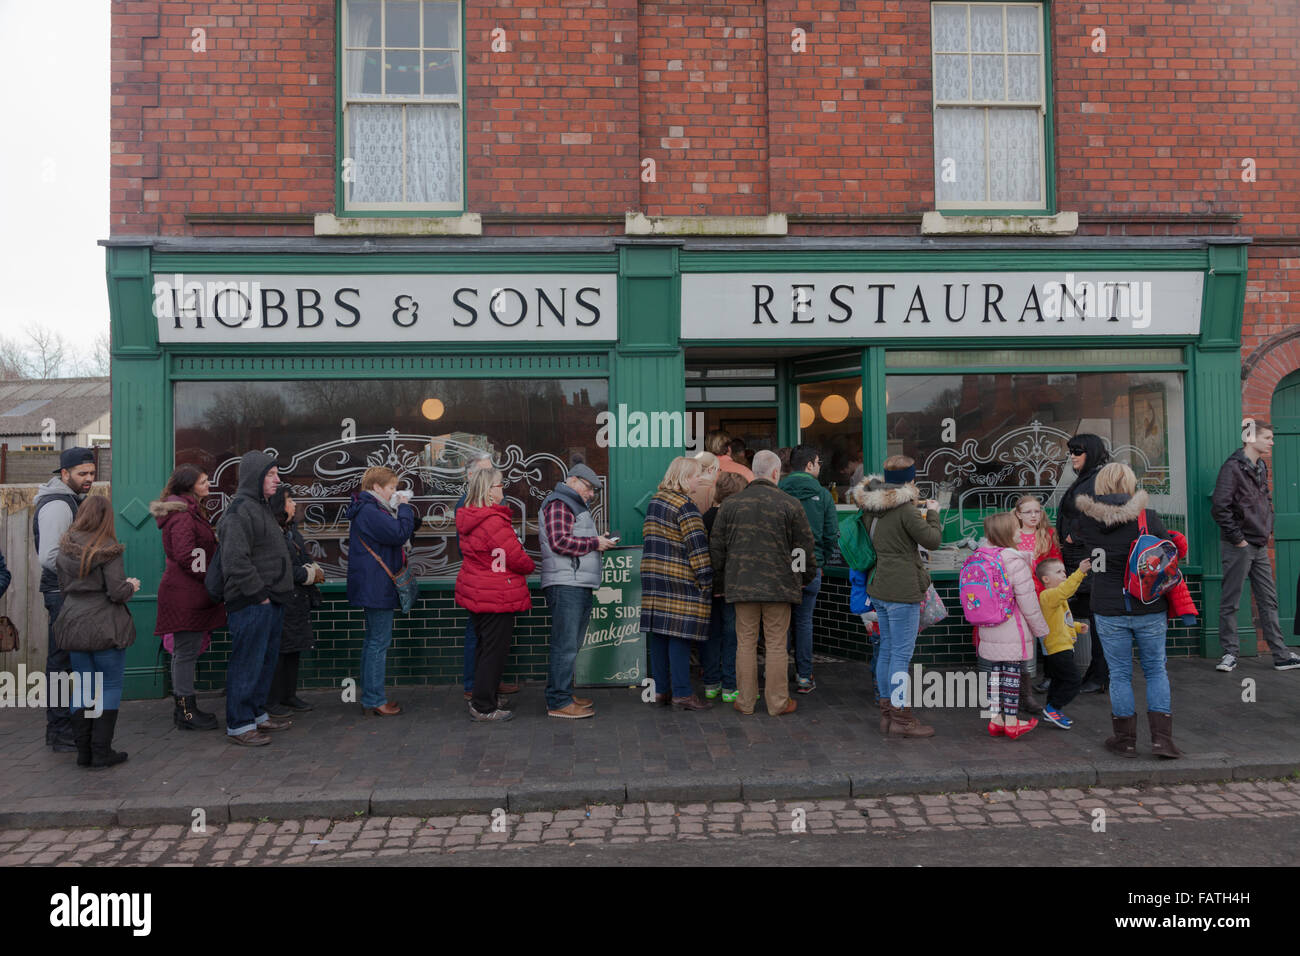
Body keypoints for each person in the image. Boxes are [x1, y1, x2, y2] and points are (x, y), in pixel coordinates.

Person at [1075, 462, 1184, 758]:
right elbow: (1165, 555)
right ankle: (1162, 741)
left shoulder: (1086, 521)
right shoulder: (1147, 517)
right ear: (1130, 482)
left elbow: (1083, 552)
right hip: (1149, 605)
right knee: (1155, 670)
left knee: (1120, 674)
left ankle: (1125, 742)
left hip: (1108, 607)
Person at [709, 449, 816, 717]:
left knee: (744, 643)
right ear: (776, 473)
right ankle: (778, 702)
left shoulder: (731, 505)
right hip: (779, 588)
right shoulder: (790, 504)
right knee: (777, 644)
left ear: (754, 471)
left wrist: (721, 584)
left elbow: (717, 550)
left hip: (741, 587)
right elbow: (803, 548)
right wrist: (803, 578)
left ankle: (745, 702)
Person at [850, 455, 941, 737]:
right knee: (901, 654)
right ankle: (902, 719)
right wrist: (934, 513)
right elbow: (932, 541)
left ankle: (887, 715)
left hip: (878, 584)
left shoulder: (870, 506)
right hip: (902, 588)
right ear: (911, 479)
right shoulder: (905, 510)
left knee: (887, 650)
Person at [53, 496, 140, 769]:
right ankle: (101, 752)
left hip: (73, 620)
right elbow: (116, 592)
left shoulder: (65, 547)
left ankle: (84, 753)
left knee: (83, 685)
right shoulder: (108, 547)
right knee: (109, 686)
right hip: (104, 624)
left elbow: (63, 584)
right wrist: (131, 586)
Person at [217, 450, 296, 746]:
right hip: (252, 602)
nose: (277, 480)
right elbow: (235, 560)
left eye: (276, 473)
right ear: (255, 477)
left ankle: (257, 715)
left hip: (270, 600)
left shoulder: (259, 507)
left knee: (264, 661)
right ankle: (239, 724)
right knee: (247, 662)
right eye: (271, 474)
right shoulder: (239, 510)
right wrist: (259, 595)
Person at [1211, 420, 1300, 672]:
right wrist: (1238, 538)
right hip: (1238, 545)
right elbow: (1220, 507)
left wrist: (1267, 526)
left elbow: (1264, 499)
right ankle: (1229, 654)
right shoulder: (1231, 468)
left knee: (1268, 600)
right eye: (1268, 438)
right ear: (1251, 438)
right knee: (1231, 600)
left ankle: (1281, 655)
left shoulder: (1260, 466)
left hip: (1259, 544)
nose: (1272, 442)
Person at [455, 466, 535, 722]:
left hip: (479, 591)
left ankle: (483, 696)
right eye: (500, 485)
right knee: (493, 651)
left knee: (483, 649)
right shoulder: (492, 520)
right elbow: (516, 557)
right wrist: (529, 566)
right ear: (489, 492)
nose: (503, 489)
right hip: (496, 593)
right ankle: (483, 707)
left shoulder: (471, 516)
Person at [150, 464, 225, 731]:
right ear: (189, 486)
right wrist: (210, 576)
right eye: (204, 481)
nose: (209, 484)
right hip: (185, 593)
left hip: (190, 591)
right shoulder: (182, 515)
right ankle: (185, 712)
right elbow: (186, 555)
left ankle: (186, 709)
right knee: (185, 652)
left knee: (187, 651)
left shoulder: (190, 510)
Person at [539, 462, 617, 718]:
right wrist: (596, 542)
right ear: (572, 480)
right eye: (589, 487)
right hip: (567, 583)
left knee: (570, 644)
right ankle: (559, 702)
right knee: (565, 645)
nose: (592, 494)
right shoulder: (561, 503)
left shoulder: (569, 503)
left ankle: (562, 694)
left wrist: (596, 541)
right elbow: (560, 542)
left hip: (574, 582)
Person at [33, 446, 96, 752]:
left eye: (92, 473)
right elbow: (50, 557)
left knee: (66, 662)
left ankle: (65, 725)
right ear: (64, 473)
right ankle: (58, 730)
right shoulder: (58, 504)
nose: (88, 479)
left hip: (67, 592)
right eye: (82, 473)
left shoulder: (71, 500)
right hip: (62, 593)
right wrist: (88, 566)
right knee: (60, 663)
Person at [641, 456, 715, 711]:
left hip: (655, 578)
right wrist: (706, 580)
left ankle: (661, 690)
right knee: (681, 634)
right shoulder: (686, 506)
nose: (700, 479)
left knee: (660, 635)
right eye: (696, 475)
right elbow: (697, 548)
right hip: (680, 580)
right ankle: (682, 692)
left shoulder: (656, 501)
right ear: (684, 478)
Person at [346, 466, 418, 717]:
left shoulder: (370, 508)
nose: (394, 493)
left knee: (373, 642)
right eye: (391, 488)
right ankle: (375, 699)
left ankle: (371, 696)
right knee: (379, 643)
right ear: (377, 487)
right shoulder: (370, 510)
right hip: (376, 585)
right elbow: (398, 533)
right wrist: (405, 507)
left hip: (372, 584)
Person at [975, 513, 1050, 739]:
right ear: (1008, 534)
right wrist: (1042, 631)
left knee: (995, 674)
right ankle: (1011, 722)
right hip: (1011, 625)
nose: (1021, 532)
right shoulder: (1013, 560)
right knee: (1011, 674)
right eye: (1017, 529)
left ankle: (995, 719)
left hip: (988, 625)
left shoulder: (981, 556)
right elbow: (1028, 601)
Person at [457, 452, 520, 702]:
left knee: (485, 639)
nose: (492, 475)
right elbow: (501, 549)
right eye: (487, 472)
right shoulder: (472, 506)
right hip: (487, 584)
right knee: (483, 639)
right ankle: (478, 689)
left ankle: (486, 685)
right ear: (473, 476)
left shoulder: (480, 507)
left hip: (479, 582)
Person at [779, 444, 839, 694]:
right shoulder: (823, 495)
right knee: (804, 622)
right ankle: (804, 677)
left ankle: (778, 676)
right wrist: (820, 562)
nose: (819, 466)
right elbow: (830, 535)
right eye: (818, 462)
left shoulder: (777, 491)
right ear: (810, 464)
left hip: (781, 568)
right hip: (810, 566)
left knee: (779, 624)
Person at [1055, 433, 1110, 693]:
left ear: (1092, 452)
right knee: (1095, 615)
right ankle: (1096, 673)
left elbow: (1100, 512)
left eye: (1078, 451)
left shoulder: (1098, 479)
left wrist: (1073, 534)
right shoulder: (1089, 478)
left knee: (1098, 616)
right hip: (1082, 556)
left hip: (1090, 557)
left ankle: (1100, 674)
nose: (1073, 456)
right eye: (1071, 451)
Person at [265, 488, 323, 716]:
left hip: (298, 599)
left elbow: (303, 557)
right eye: (290, 499)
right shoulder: (273, 532)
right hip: (282, 597)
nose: (294, 503)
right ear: (280, 505)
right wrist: (308, 574)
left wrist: (312, 569)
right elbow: (281, 568)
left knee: (294, 648)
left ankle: (289, 694)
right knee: (280, 650)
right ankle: (272, 699)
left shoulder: (291, 530)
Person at [1012, 493, 1060, 711]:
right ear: (1018, 515)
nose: (1033, 515)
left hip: (1042, 593)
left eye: (1037, 511)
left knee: (1047, 639)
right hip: (1018, 595)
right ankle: (1024, 691)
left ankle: (1053, 677)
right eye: (1028, 512)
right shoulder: (1013, 535)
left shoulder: (1047, 534)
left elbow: (1054, 563)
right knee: (1022, 644)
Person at [701, 472, 746, 701]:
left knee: (711, 634)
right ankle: (730, 686)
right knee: (732, 636)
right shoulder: (735, 518)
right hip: (731, 585)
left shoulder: (706, 516)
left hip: (708, 583)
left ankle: (710, 684)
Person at [1035, 557, 1090, 729]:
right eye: (1059, 572)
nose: (1064, 575)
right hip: (1058, 649)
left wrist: (1077, 626)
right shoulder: (1048, 595)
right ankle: (1054, 707)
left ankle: (1051, 710)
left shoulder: (1056, 599)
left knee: (1059, 680)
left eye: (1064, 571)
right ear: (1046, 579)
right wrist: (1080, 572)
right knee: (1074, 680)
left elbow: (1060, 622)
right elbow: (1066, 590)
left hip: (1062, 647)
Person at [688, 450, 720, 516]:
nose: (717, 473)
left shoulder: (684, 487)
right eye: (718, 469)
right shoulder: (715, 492)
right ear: (710, 469)